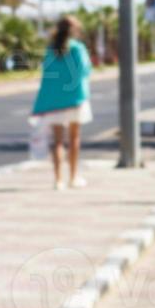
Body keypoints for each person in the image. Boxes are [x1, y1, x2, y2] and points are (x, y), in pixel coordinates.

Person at [31, 15, 94, 190]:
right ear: (74, 30)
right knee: (74, 139)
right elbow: (85, 70)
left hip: (54, 101)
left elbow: (46, 75)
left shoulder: (51, 49)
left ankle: (58, 180)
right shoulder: (78, 48)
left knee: (57, 141)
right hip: (75, 99)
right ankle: (73, 177)